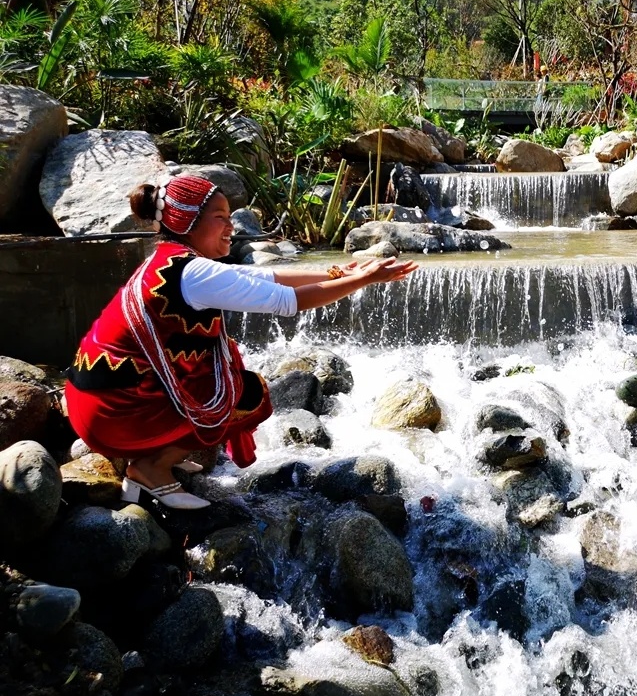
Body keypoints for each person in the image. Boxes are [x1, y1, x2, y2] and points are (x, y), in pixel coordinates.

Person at [65, 175, 417, 510]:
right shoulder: (194, 272)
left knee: (222, 371)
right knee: (246, 393)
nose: (231, 227)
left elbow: (265, 275)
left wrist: (344, 272)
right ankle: (150, 467)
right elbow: (287, 301)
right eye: (220, 218)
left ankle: (153, 454)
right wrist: (362, 281)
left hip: (95, 403)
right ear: (188, 223)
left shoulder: (171, 261)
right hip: (113, 413)